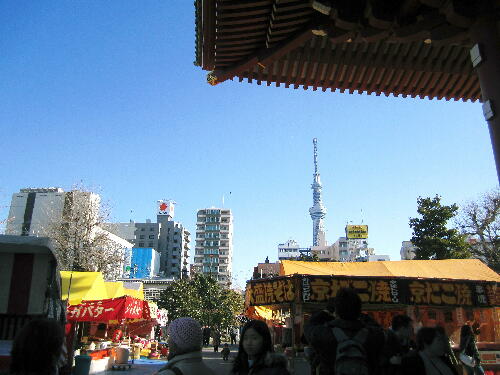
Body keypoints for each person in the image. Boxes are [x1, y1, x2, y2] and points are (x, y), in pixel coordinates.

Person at [304, 288, 385, 375]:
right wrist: (360, 314)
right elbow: (379, 330)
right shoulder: (372, 336)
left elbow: (309, 326)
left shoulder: (325, 334)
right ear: (359, 309)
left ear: (336, 311)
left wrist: (326, 312)